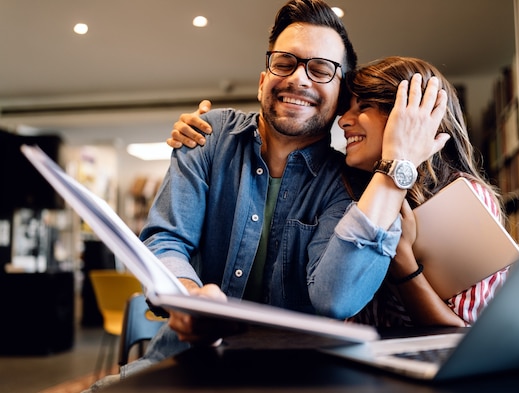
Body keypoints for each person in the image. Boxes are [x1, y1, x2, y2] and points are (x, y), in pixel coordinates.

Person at [82, 2, 446, 391]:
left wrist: (396, 168)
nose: (298, 79)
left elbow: (335, 296)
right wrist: (187, 297)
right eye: (284, 62)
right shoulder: (208, 137)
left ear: (340, 97)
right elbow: (166, 239)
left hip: (294, 380)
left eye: (321, 69)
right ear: (262, 80)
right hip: (180, 364)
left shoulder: (351, 184)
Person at [169, 56, 507, 328]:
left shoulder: (463, 199)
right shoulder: (349, 188)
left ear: (408, 116)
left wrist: (403, 263)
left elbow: (466, 333)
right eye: (346, 108)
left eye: (363, 107)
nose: (344, 120)